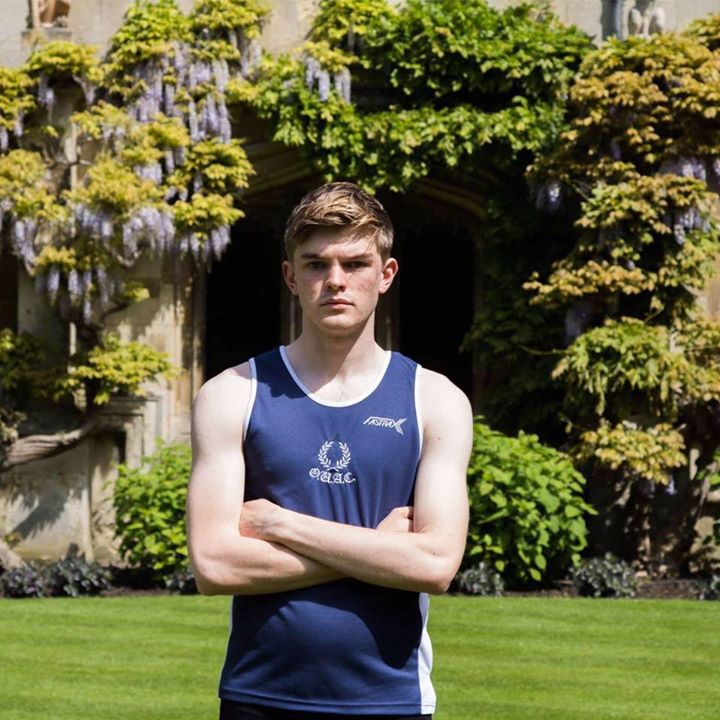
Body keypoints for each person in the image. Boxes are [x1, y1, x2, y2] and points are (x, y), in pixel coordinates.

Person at [186, 181, 473, 720]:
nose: (335, 280)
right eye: (316, 264)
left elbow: (435, 564)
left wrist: (282, 525)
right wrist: (379, 550)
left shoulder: (435, 399)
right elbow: (214, 565)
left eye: (355, 263)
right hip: (257, 697)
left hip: (391, 699)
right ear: (290, 277)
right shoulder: (232, 394)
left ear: (386, 274)